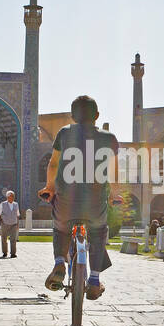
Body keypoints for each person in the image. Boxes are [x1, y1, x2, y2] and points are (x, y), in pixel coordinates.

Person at [39, 95, 121, 299]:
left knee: (60, 227)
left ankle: (59, 263)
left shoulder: (65, 133)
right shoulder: (109, 138)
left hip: (67, 201)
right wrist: (114, 194)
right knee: (99, 231)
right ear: (97, 116)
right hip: (95, 203)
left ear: (73, 116)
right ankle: (94, 279)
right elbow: (113, 172)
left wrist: (49, 187)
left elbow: (54, 164)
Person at [0, 190, 21, 258]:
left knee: (13, 239)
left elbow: (17, 215)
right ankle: (5, 252)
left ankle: (13, 253)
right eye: (11, 196)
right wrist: (2, 222)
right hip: (5, 224)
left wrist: (17, 224)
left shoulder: (16, 204)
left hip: (14, 224)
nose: (12, 197)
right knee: (4, 239)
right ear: (7, 197)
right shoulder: (3, 204)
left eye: (13, 196)